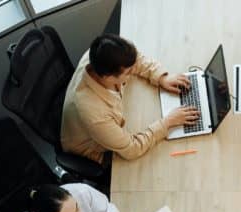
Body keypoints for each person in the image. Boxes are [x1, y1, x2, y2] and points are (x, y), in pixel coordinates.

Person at [61, 33, 200, 163]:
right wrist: (168, 122)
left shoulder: (98, 55)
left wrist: (161, 77)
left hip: (109, 124)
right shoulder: (94, 114)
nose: (132, 71)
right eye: (128, 72)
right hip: (95, 150)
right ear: (108, 77)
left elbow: (134, 60)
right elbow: (132, 149)